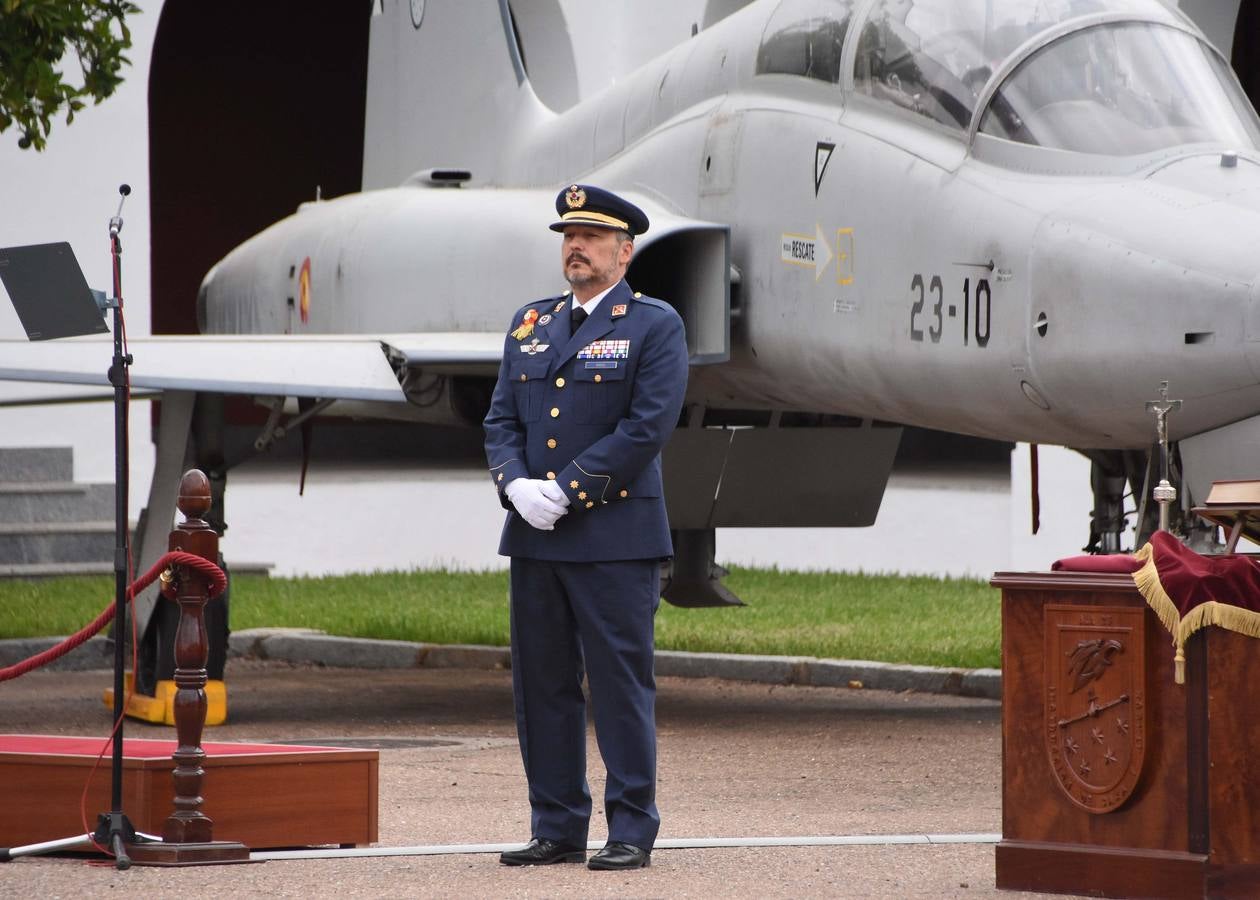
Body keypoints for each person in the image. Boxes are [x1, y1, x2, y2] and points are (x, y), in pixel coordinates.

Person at [483, 184, 689, 871]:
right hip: (536, 537)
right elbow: (500, 420)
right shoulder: (531, 323)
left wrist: (566, 491)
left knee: (619, 685)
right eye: (569, 235)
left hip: (613, 539)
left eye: (593, 237)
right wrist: (515, 484)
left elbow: (645, 428)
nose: (576, 246)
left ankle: (630, 828)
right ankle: (557, 824)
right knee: (541, 686)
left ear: (624, 252)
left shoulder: (653, 325)